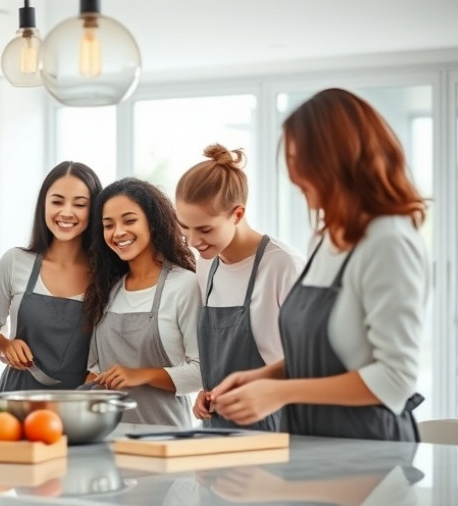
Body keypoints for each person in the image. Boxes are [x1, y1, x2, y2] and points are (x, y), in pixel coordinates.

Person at [212, 88, 429, 441]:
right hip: (313, 441)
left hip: (369, 448)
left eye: (301, 160)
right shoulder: (325, 238)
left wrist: (281, 393)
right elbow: (331, 358)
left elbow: (395, 379)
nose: (294, 175)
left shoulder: (388, 241)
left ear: (339, 160)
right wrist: (263, 377)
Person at [175, 144, 304, 431]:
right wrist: (207, 394)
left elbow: (311, 362)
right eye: (185, 228)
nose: (193, 242)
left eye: (205, 229)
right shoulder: (206, 265)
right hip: (218, 429)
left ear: (237, 214)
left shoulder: (283, 266)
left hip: (276, 427)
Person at [83, 178, 202, 426]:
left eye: (129, 220)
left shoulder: (183, 285)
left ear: (153, 222)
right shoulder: (108, 289)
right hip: (109, 436)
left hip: (167, 435)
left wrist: (141, 375)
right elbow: (94, 366)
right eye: (108, 225)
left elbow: (202, 372)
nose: (118, 232)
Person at [0, 162, 102, 391]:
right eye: (57, 202)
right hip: (18, 397)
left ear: (94, 211)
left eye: (80, 204)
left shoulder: (106, 275)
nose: (66, 212)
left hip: (80, 402)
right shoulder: (15, 262)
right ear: (44, 204)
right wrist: (5, 346)